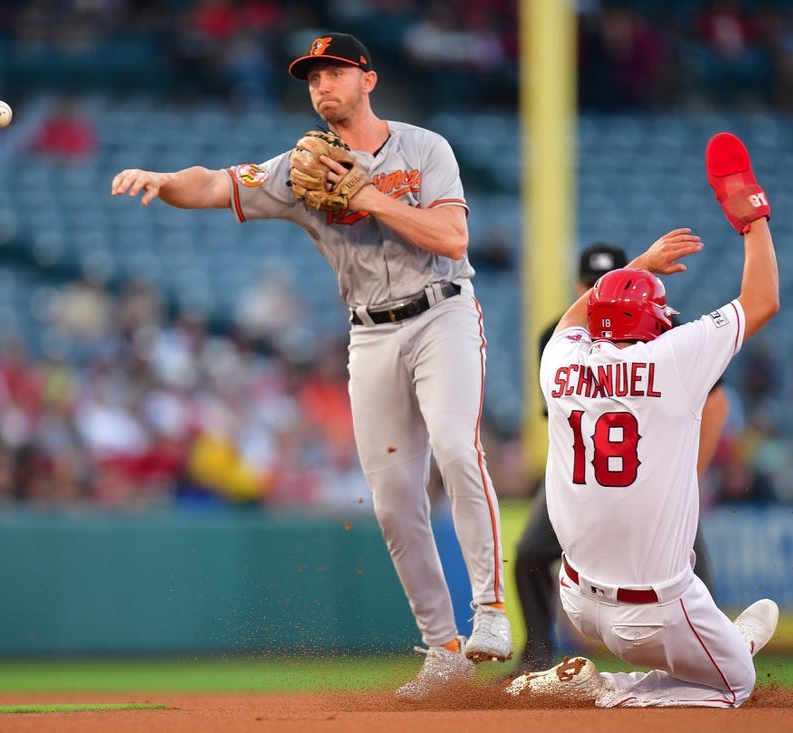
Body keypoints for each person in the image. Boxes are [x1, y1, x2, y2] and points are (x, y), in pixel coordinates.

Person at [111, 32, 509, 700]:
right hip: (370, 333)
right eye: (312, 77)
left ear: (369, 80)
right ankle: (444, 651)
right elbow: (212, 184)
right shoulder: (301, 170)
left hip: (443, 310)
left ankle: (491, 610)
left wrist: (370, 195)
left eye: (335, 72)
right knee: (392, 499)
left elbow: (454, 237)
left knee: (454, 447)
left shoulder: (424, 148)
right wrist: (163, 180)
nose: (323, 85)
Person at [507, 132, 780, 707]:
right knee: (737, 684)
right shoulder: (672, 357)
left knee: (553, 554)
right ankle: (616, 694)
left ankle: (708, 646)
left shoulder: (559, 360)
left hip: (577, 604)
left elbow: (574, 320)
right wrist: (751, 215)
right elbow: (762, 301)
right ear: (656, 323)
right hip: (655, 613)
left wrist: (637, 265)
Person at [514, 237, 729, 675]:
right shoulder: (561, 336)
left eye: (605, 281)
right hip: (584, 478)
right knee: (530, 554)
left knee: (690, 576)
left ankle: (708, 650)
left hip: (653, 475)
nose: (599, 291)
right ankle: (537, 658)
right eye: (593, 283)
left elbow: (717, 403)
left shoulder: (657, 336)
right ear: (581, 287)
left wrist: (687, 475)